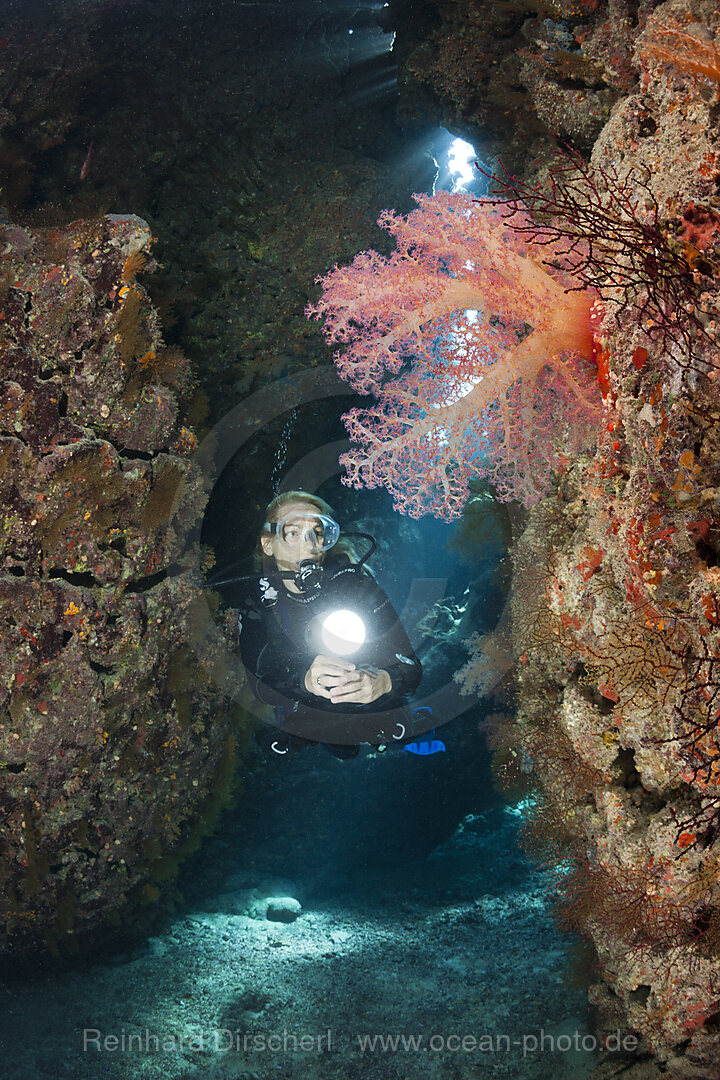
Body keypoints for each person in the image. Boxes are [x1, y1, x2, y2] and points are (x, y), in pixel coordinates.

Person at [237, 491, 422, 758]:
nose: (310, 544)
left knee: (397, 728)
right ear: (268, 544)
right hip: (308, 712)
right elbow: (257, 684)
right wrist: (305, 681)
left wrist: (386, 681)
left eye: (318, 532)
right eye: (292, 532)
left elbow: (412, 666)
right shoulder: (260, 601)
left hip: (370, 711)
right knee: (328, 742)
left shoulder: (356, 584)